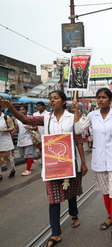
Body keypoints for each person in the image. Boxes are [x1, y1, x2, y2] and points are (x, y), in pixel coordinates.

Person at [0, 92, 88, 247]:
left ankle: (73, 215)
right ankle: (55, 233)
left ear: (64, 101)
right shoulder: (46, 118)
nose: (52, 101)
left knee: (71, 192)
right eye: (50, 99)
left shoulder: (71, 117)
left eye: (56, 98)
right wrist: (11, 108)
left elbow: (79, 138)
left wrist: (83, 163)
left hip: (70, 162)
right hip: (52, 164)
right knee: (53, 198)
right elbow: (25, 119)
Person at [73, 88, 112, 242]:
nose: (100, 100)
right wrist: (76, 112)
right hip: (99, 160)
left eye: (104, 97)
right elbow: (78, 129)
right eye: (98, 97)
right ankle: (110, 217)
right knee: (106, 193)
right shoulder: (92, 116)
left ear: (110, 100)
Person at [13, 106, 38, 176]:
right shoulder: (18, 119)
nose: (21, 111)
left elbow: (36, 127)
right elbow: (16, 128)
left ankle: (28, 170)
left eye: (23, 109)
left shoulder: (30, 118)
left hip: (29, 138)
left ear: (26, 110)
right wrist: (13, 132)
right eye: (20, 110)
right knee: (22, 154)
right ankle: (32, 161)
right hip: (20, 139)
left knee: (28, 154)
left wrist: (30, 128)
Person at [0, 109, 15, 180]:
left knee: (9, 159)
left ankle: (13, 169)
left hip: (5, 142)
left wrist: (3, 130)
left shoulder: (7, 118)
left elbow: (12, 128)